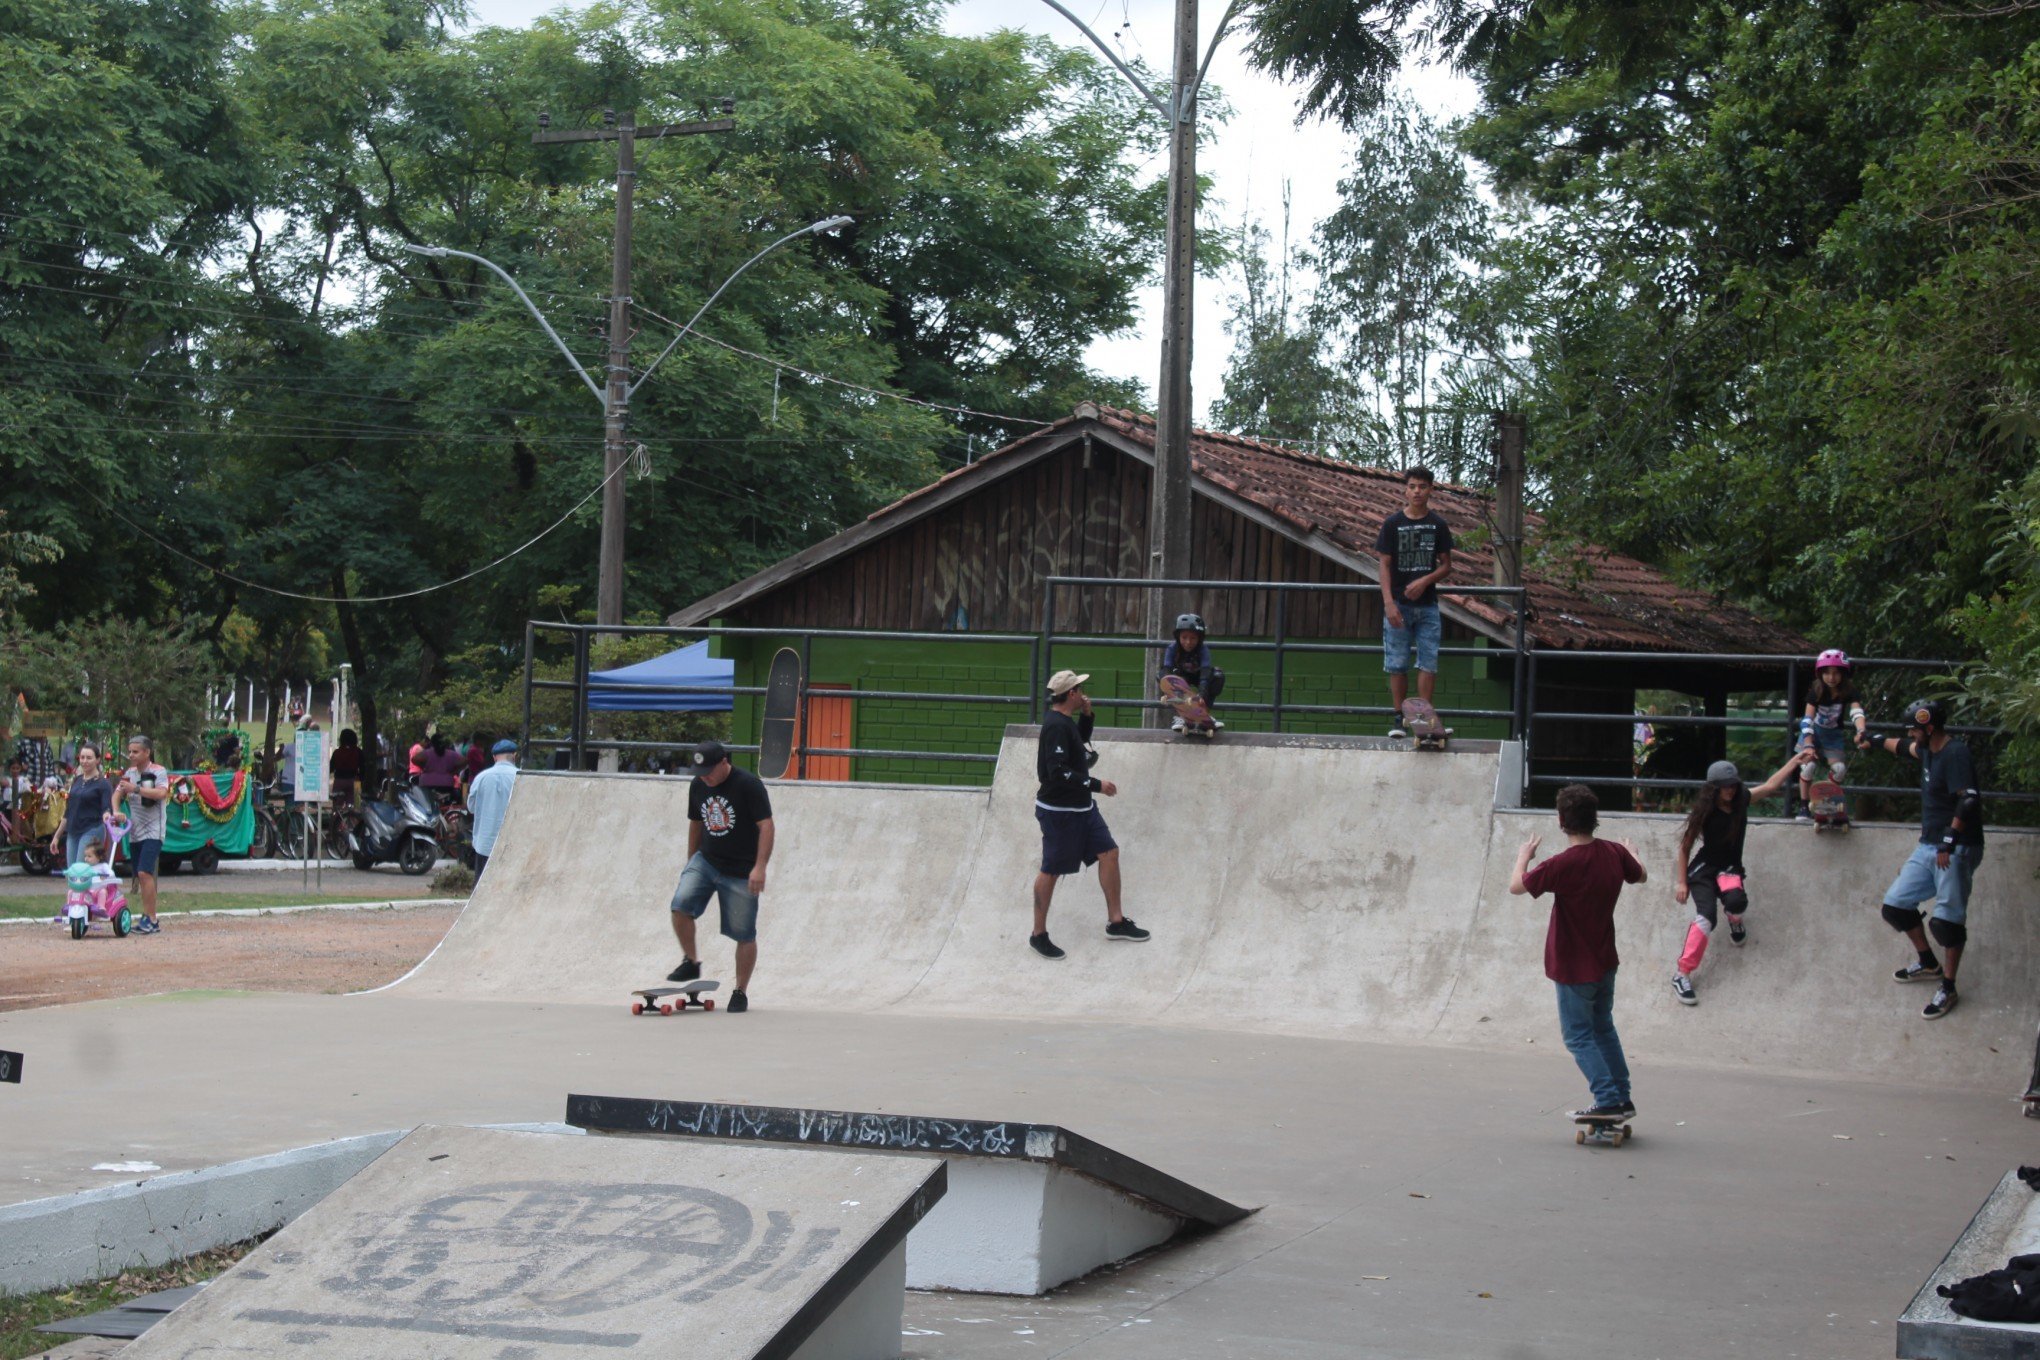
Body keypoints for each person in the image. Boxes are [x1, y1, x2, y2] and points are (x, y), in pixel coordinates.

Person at [1509, 784, 1648, 1121]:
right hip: (1605, 962)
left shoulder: (1562, 863)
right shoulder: (1614, 853)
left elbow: (1517, 886)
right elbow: (1640, 875)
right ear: (1594, 819)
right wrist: (1634, 853)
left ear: (1561, 821)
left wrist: (1522, 857)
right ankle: (1622, 1097)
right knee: (1603, 1028)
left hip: (1573, 965)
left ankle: (1607, 1099)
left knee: (1578, 1036)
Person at [1861, 698, 1985, 1020]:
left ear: (1929, 728)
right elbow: (1903, 747)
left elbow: (1968, 800)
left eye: (1916, 730)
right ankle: (1928, 962)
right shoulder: (1928, 749)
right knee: (1895, 907)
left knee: (1946, 923)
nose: (1912, 735)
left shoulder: (1956, 753)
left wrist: (1949, 839)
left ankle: (1949, 986)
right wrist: (1874, 740)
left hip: (1955, 847)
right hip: (1928, 845)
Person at [1668, 753, 1809, 1005]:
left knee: (1736, 902)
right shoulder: (1705, 811)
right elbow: (1684, 847)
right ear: (1714, 789)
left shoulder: (1742, 799)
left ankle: (1734, 920)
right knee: (1706, 917)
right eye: (1725, 787)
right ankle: (1682, 974)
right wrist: (1681, 882)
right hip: (1703, 870)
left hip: (1729, 867)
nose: (1730, 791)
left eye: (1733, 785)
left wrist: (1794, 762)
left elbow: (1769, 786)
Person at [1030, 669, 1148, 961]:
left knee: (1109, 853)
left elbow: (1078, 744)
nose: (1083, 693)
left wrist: (1087, 714)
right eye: (1079, 690)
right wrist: (1097, 785)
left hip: (1083, 809)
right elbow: (1056, 771)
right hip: (1060, 813)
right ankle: (1038, 935)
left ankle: (1116, 921)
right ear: (1070, 693)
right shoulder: (1055, 725)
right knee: (1052, 870)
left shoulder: (1065, 723)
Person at [665, 739, 772, 1013]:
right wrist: (691, 861)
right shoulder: (698, 784)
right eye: (701, 773)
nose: (706, 778)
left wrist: (760, 867)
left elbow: (767, 826)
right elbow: (696, 822)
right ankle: (691, 960)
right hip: (707, 860)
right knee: (680, 906)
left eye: (711, 772)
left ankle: (740, 991)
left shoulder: (748, 785)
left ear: (725, 762)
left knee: (744, 933)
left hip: (741, 869)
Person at [1374, 466, 1456, 737]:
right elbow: (1384, 565)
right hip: (1398, 605)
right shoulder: (1393, 524)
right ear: (1405, 490)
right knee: (1397, 663)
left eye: (1422, 486)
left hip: (1428, 605)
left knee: (1428, 662)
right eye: (1412, 486)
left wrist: (1424, 581)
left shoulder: (1438, 525)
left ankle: (1424, 717)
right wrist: (1388, 602)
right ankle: (1399, 719)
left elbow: (1446, 566)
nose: (1417, 491)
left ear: (1431, 489)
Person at [1795, 649, 1868, 821]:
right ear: (1820, 674)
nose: (1831, 677)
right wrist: (1808, 743)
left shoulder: (1849, 690)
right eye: (1827, 673)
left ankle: (1826, 801)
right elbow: (1807, 720)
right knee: (1808, 767)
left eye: (1836, 673)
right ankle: (1804, 806)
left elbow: (1857, 712)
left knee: (1840, 770)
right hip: (1813, 733)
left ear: (1843, 674)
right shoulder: (1816, 690)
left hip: (1833, 735)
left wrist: (1861, 731)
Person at [111, 735, 170, 934]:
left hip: (154, 831)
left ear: (147, 752)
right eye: (130, 751)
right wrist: (116, 810)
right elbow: (117, 794)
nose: (131, 755)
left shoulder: (158, 771)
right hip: (135, 831)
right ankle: (147, 917)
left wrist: (135, 789)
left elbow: (162, 793)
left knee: (145, 872)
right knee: (140, 874)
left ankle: (152, 919)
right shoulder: (129, 773)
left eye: (135, 752)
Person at [48, 741, 113, 869]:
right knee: (72, 873)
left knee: (81, 871)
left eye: (89, 758)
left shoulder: (103, 784)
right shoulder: (77, 781)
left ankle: (90, 889)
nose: (85, 761)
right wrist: (56, 837)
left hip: (92, 829)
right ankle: (76, 890)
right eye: (82, 758)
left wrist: (107, 815)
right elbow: (68, 811)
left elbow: (106, 807)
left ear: (98, 760)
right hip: (73, 830)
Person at [464, 740, 520, 883]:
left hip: (485, 843)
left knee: (482, 886)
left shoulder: (481, 778)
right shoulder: (521, 777)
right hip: (513, 843)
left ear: (494, 757)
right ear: (514, 755)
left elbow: (471, 807)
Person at [1158, 613, 1225, 732]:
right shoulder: (1172, 648)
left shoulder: (1203, 650)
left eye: (1193, 638)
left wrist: (1202, 694)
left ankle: (1205, 715)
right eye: (1184, 637)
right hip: (1182, 676)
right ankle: (1182, 715)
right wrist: (1169, 690)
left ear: (1199, 639)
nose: (1188, 642)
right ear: (1178, 637)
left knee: (1217, 676)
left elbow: (1205, 671)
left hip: (1200, 676)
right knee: (1162, 675)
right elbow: (1167, 669)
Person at [416, 732, 463, 807]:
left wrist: (423, 767)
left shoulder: (427, 753)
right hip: (446, 784)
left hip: (427, 783)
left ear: (432, 743)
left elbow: (414, 759)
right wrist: (454, 771)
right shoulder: (451, 754)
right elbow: (465, 761)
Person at [329, 729, 363, 809]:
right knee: (356, 807)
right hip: (355, 780)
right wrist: (361, 779)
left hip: (339, 780)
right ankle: (354, 821)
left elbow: (331, 768)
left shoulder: (337, 752)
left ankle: (337, 820)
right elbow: (363, 767)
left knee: (337, 808)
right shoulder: (358, 752)